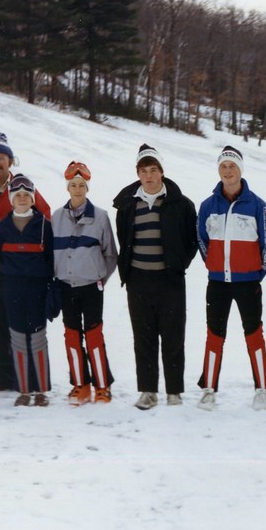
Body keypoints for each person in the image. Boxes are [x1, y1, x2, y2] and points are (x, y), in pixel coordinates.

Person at [112, 143, 198, 409]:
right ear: (138, 174)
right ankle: (148, 391)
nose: (148, 176)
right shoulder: (128, 205)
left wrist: (178, 265)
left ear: (161, 172)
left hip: (170, 281)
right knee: (143, 338)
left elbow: (192, 241)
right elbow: (124, 238)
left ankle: (174, 392)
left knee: (173, 337)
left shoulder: (180, 204)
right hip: (138, 280)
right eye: (143, 171)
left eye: (153, 170)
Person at [195, 145, 266, 411]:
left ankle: (262, 388)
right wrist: (215, 265)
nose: (228, 171)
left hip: (248, 282)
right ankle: (208, 389)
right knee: (214, 335)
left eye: (232, 166)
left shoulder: (258, 205)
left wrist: (256, 272)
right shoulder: (208, 206)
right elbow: (202, 240)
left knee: (254, 334)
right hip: (218, 282)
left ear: (240, 170)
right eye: (223, 166)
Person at [0, 131, 51, 391]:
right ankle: (3, 377)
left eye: (2, 158)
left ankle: (29, 378)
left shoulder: (23, 188)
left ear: (10, 161)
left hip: (20, 272)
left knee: (23, 325)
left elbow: (45, 220)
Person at [53, 161, 118, 406]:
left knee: (93, 335)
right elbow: (52, 253)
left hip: (91, 286)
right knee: (71, 336)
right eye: (73, 185)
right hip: (66, 285)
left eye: (82, 185)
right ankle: (80, 385)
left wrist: (99, 278)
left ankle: (102, 385)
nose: (78, 190)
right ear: (67, 188)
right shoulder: (56, 217)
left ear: (87, 188)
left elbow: (110, 254)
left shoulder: (100, 217)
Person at [0, 175, 56, 406]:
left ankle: (40, 390)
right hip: (12, 288)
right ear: (11, 199)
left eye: (26, 195)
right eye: (17, 195)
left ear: (33, 199)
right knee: (18, 336)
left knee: (38, 336)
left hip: (37, 288)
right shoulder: (4, 226)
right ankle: (23, 389)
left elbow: (51, 258)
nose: (22, 199)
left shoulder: (44, 225)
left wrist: (49, 287)